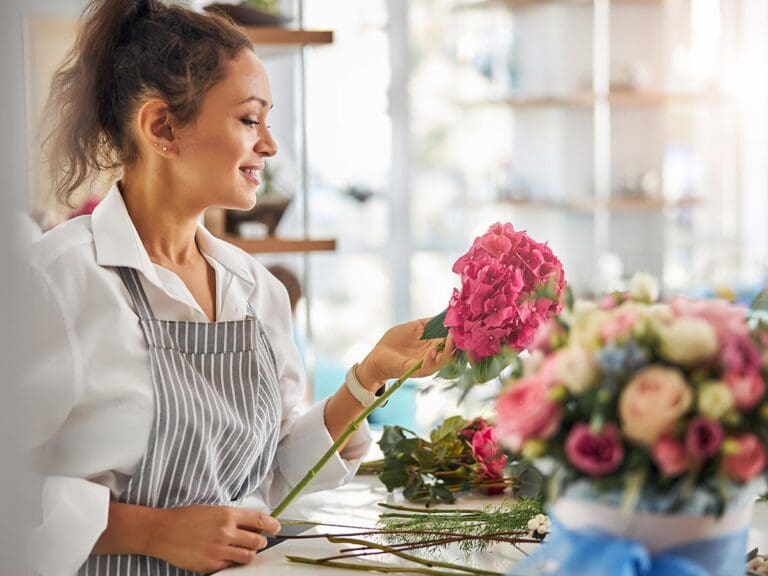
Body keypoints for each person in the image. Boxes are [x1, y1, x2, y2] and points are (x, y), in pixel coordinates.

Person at [24, 1, 454, 574]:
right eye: (250, 120)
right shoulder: (54, 282)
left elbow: (269, 476)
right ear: (163, 127)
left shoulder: (255, 289)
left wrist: (367, 378)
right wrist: (155, 531)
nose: (270, 146)